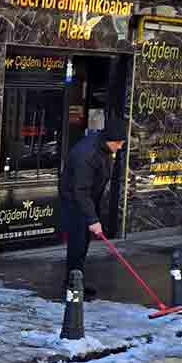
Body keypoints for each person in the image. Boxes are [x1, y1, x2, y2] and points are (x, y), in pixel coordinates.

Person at [59, 118, 127, 299]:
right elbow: (80, 190)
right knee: (77, 243)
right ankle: (72, 287)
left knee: (83, 243)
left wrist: (94, 215)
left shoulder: (104, 148)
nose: (120, 147)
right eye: (118, 143)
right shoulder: (86, 154)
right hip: (74, 201)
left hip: (88, 199)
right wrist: (92, 219)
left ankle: (77, 282)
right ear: (109, 140)